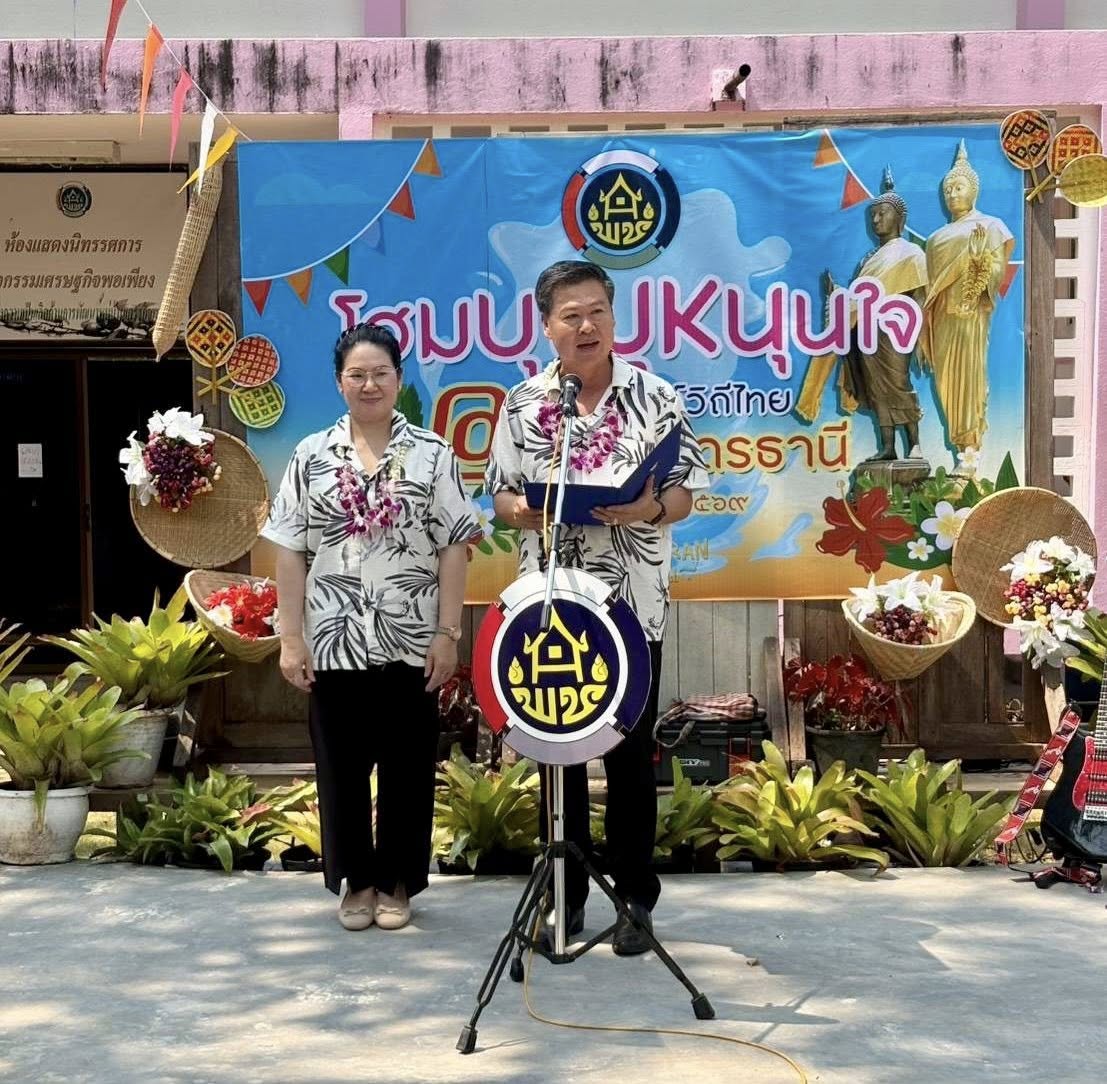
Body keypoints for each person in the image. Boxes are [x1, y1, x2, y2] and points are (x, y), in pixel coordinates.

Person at [485, 260, 708, 956]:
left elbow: (685, 492)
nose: (585, 326)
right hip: (550, 604)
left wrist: (647, 507)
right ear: (546, 326)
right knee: (560, 755)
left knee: (630, 752)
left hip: (632, 605)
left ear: (615, 318)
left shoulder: (656, 397)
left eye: (596, 312)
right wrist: (523, 511)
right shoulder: (525, 404)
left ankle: (634, 898)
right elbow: (499, 496)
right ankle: (566, 896)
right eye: (569, 315)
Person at [264, 322, 480, 932]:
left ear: (399, 380)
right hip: (332, 639)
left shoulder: (433, 455)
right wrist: (291, 638)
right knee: (340, 765)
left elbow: (454, 547)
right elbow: (290, 551)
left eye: (379, 373)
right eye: (356, 374)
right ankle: (355, 883)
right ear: (339, 383)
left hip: (411, 641)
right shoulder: (311, 456)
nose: (368, 384)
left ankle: (397, 883)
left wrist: (448, 633)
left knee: (409, 766)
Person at [796, 167, 928, 462]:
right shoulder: (869, 259)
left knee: (898, 385)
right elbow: (860, 299)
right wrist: (836, 293)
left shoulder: (910, 253)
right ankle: (888, 446)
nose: (877, 219)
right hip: (866, 334)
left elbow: (919, 297)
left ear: (900, 218)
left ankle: (915, 444)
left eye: (883, 213)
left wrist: (918, 336)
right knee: (876, 391)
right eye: (873, 216)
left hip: (896, 331)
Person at [918, 139, 1015, 454]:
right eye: (948, 190)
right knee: (946, 385)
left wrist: (977, 266)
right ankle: (960, 449)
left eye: (958, 187)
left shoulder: (990, 226)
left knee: (969, 380)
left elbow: (997, 269)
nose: (952, 194)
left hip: (970, 314)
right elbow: (927, 290)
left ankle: (969, 452)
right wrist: (922, 333)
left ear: (974, 190)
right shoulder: (935, 240)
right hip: (943, 318)